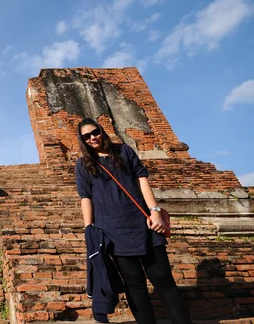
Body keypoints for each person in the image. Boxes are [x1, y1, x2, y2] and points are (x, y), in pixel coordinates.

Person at [75, 118, 192, 324]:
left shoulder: (124, 151)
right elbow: (86, 197)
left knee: (163, 280)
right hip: (112, 231)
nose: (92, 138)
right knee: (134, 285)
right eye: (86, 136)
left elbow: (142, 179)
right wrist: (88, 228)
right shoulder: (83, 164)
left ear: (101, 130)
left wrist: (155, 212)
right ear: (82, 141)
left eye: (94, 132)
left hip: (144, 224)